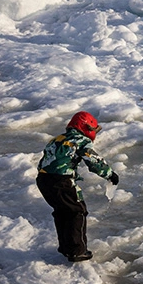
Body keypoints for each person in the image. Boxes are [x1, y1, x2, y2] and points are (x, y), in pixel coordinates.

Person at [36, 111, 119, 263]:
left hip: (43, 180)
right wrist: (109, 174)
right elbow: (92, 159)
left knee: (62, 211)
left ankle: (66, 247)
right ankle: (77, 251)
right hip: (62, 180)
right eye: (93, 130)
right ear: (85, 127)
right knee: (77, 211)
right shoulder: (80, 139)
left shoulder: (57, 139)